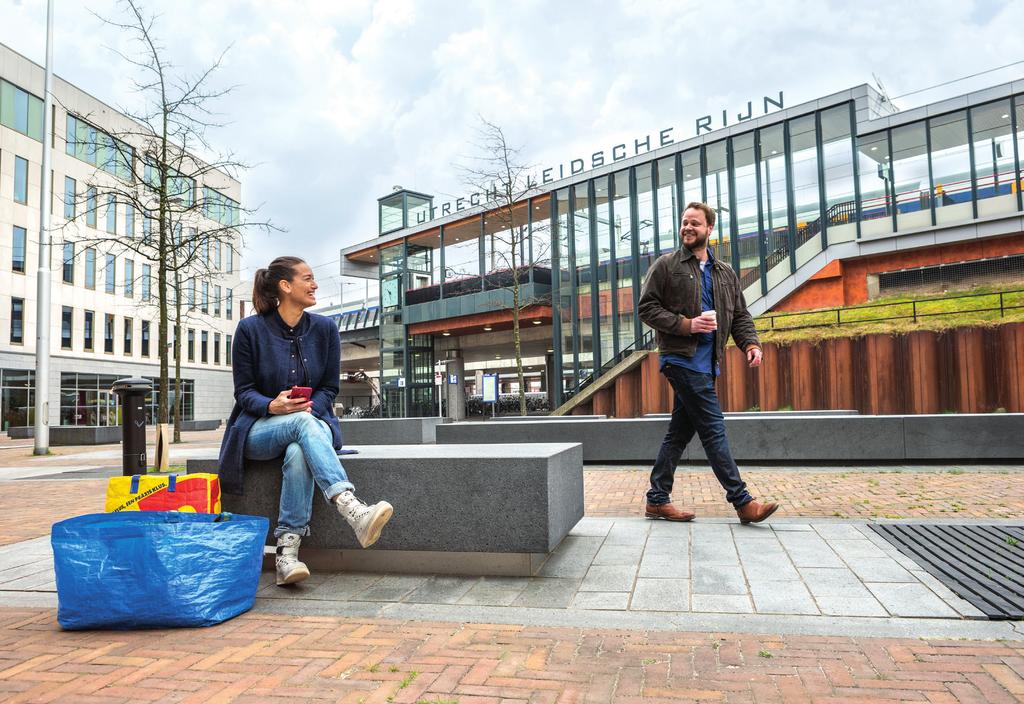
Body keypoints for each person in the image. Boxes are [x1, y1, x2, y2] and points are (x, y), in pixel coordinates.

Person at [219, 256, 393, 586]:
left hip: (313, 421)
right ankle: (351, 508)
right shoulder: (249, 330)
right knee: (300, 426)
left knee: (300, 448)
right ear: (285, 286)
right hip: (259, 429)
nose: (314, 285)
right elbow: (243, 393)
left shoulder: (325, 329)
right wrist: (273, 405)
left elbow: (330, 387)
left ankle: (287, 554)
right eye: (308, 278)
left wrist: (310, 407)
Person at [637, 202, 778, 524]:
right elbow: (646, 309)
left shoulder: (724, 273)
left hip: (707, 364)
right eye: (684, 222)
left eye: (694, 223)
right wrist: (687, 325)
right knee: (714, 429)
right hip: (679, 360)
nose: (687, 228)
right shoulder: (666, 265)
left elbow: (740, 315)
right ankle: (743, 502)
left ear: (709, 229)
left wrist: (750, 344)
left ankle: (657, 499)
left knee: (679, 433)